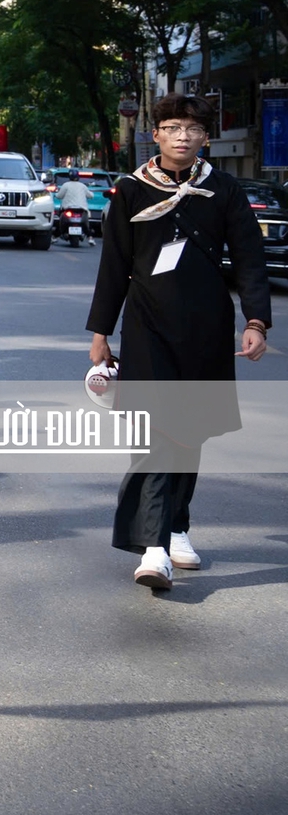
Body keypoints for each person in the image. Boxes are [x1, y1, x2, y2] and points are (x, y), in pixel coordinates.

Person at [86, 94, 271, 591]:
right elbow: (114, 267)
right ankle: (153, 547)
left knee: (189, 429)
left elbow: (250, 259)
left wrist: (256, 321)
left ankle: (178, 525)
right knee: (157, 433)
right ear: (157, 134)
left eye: (192, 128)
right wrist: (101, 332)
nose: (183, 136)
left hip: (207, 326)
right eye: (172, 127)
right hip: (147, 326)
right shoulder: (130, 191)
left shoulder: (224, 189)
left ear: (204, 137)